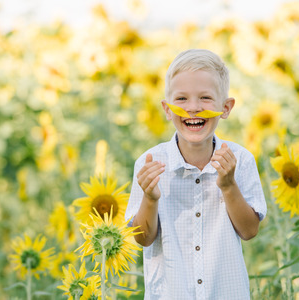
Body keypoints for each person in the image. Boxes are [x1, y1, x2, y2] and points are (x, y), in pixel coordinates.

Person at [125, 49, 267, 300]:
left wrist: (228, 185)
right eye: (181, 99)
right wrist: (150, 198)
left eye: (205, 98)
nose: (193, 108)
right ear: (167, 109)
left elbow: (249, 231)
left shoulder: (240, 160)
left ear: (225, 107)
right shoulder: (149, 164)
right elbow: (143, 239)